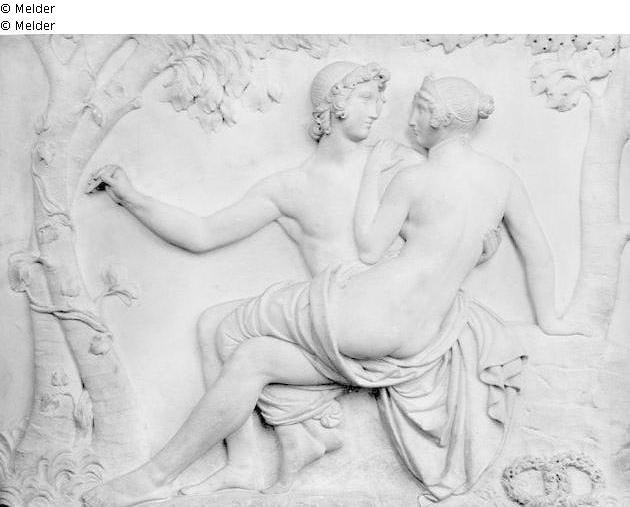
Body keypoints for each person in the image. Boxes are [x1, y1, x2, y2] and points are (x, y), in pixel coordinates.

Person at [83, 61, 423, 505]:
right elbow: (204, 233)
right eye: (366, 98)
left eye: (379, 101)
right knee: (212, 322)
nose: (377, 111)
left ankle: (157, 475)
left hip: (378, 322)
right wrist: (132, 198)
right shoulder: (291, 187)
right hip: (331, 321)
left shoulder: (395, 166)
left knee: (249, 354)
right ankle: (244, 462)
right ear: (335, 103)